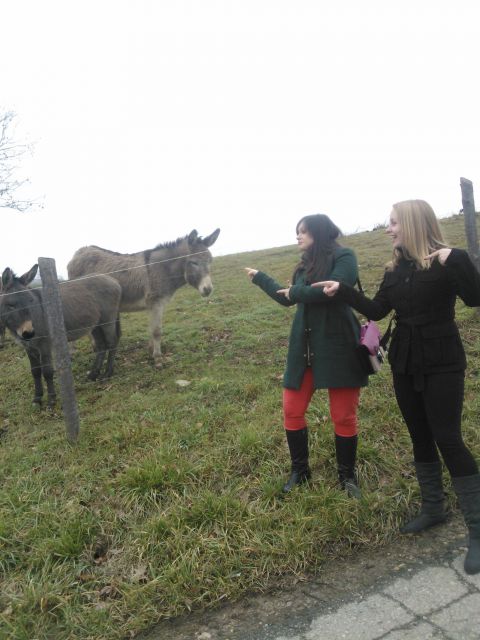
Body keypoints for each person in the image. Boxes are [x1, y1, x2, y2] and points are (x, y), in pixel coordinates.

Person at [315, 199, 480, 575]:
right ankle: (433, 509)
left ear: (412, 223)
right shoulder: (396, 269)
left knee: (448, 439)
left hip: (442, 361)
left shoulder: (445, 262)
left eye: (393, 223)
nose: (388, 229)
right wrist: (341, 289)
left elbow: (476, 298)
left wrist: (456, 259)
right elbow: (376, 311)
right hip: (405, 361)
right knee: (419, 435)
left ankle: (477, 530)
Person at [245, 214, 368, 497]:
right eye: (297, 232)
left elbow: (332, 290)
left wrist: (296, 291)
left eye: (303, 231)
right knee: (292, 409)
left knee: (343, 415)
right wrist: (260, 278)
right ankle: (300, 471)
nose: (298, 236)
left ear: (319, 231)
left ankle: (347, 477)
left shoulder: (344, 256)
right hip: (304, 348)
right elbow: (289, 298)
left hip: (339, 346)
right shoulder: (303, 266)